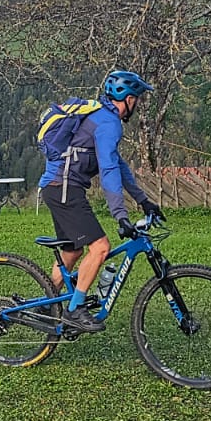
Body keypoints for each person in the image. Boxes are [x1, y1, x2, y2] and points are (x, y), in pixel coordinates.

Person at [37, 70, 163, 335]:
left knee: (72, 252)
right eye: (137, 99)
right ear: (128, 98)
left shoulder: (102, 117)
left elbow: (119, 165)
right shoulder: (109, 123)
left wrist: (144, 201)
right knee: (100, 248)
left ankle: (46, 306)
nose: (137, 104)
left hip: (58, 188)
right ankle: (75, 309)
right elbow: (108, 171)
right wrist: (120, 215)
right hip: (65, 189)